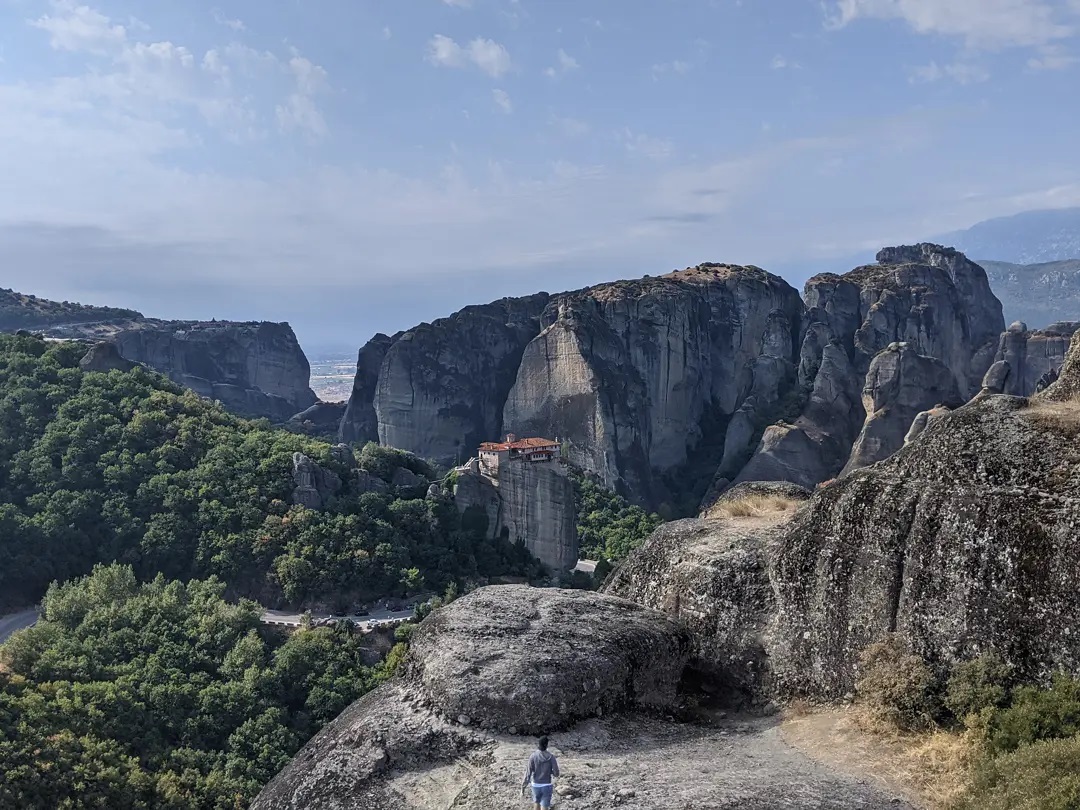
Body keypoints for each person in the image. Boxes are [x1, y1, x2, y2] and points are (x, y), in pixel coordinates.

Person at [520, 735, 559, 808]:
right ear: (547, 744)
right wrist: (550, 772)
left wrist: (522, 788)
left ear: (539, 744)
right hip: (547, 785)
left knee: (536, 804)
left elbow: (528, 773)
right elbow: (556, 774)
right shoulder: (551, 757)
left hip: (535, 785)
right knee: (544, 806)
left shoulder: (533, 756)